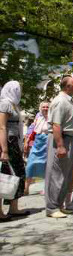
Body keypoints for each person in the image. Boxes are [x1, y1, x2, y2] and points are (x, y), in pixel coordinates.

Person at [44, 76, 73, 218]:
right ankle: (52, 208)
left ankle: (59, 205)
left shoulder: (68, 100)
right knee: (57, 174)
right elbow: (56, 125)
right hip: (62, 139)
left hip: (69, 139)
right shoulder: (60, 101)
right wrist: (60, 145)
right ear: (67, 86)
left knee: (65, 175)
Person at [0, 81, 29, 220]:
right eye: (18, 89)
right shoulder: (5, 104)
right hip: (8, 143)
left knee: (17, 174)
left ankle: (13, 208)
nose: (20, 92)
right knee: (4, 176)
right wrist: (4, 150)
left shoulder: (13, 105)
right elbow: (2, 127)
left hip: (14, 142)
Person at [24, 101, 50, 195]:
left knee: (47, 166)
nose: (45, 108)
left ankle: (46, 188)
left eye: (47, 107)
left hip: (48, 142)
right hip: (37, 143)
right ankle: (26, 188)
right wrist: (27, 141)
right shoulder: (38, 117)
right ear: (40, 108)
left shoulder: (53, 118)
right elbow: (33, 131)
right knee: (30, 164)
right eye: (43, 107)